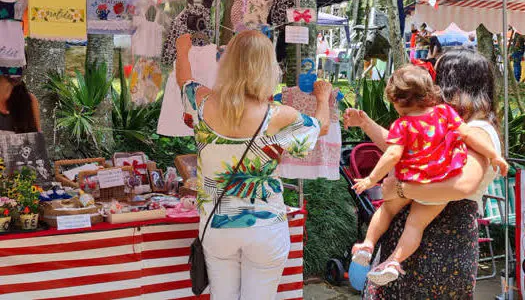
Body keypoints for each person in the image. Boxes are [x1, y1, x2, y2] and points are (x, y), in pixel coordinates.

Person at [175, 31, 332, 300]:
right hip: (266, 225)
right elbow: (322, 127)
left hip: (216, 225)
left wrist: (182, 51)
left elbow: (184, 80)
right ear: (267, 66)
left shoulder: (202, 102)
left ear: (227, 63)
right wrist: (322, 98)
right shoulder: (279, 115)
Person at [344, 48, 502, 298]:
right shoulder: (443, 121)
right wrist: (366, 123)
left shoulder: (477, 129)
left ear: (452, 83)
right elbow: (401, 147)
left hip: (439, 244)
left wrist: (400, 189)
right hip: (425, 246)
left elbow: (462, 186)